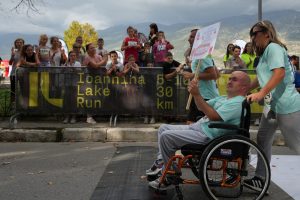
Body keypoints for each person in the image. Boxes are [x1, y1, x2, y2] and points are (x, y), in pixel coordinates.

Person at [147, 71, 251, 190]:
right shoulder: (223, 98)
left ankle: (169, 174)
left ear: (244, 87)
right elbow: (201, 106)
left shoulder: (237, 102)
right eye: (230, 78)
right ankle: (163, 163)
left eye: (234, 79)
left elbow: (213, 116)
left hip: (208, 135)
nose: (230, 81)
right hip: (200, 127)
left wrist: (197, 95)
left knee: (166, 136)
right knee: (162, 128)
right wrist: (195, 92)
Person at [245, 20, 300, 192]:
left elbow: (279, 73)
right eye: (251, 34)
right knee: (262, 139)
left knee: (297, 145)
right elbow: (262, 78)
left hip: (287, 106)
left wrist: (261, 94)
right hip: (272, 106)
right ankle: (261, 179)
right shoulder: (264, 54)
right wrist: (245, 89)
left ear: (267, 33)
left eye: (256, 33)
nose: (253, 37)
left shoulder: (274, 48)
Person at [181, 56, 220, 124]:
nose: (190, 44)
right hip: (198, 93)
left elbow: (213, 75)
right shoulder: (203, 55)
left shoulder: (204, 56)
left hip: (204, 95)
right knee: (191, 123)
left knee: (193, 124)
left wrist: (192, 75)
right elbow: (217, 74)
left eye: (191, 44)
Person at [83, 43, 108, 124]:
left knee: (98, 97)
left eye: (94, 47)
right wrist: (104, 59)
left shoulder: (98, 56)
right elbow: (96, 66)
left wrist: (104, 60)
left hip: (98, 80)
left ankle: (95, 115)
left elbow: (104, 65)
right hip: (90, 81)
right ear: (87, 50)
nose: (93, 49)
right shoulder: (87, 57)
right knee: (90, 98)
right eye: (91, 48)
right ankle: (89, 117)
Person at [63, 51, 81, 124]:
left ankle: (74, 117)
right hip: (67, 84)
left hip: (75, 84)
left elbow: (79, 72)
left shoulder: (78, 63)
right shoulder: (66, 63)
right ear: (69, 56)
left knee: (74, 101)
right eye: (71, 55)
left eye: (74, 55)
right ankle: (67, 117)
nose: (73, 57)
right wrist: (65, 66)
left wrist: (72, 68)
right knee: (67, 101)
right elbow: (62, 71)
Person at [9, 38, 24, 103]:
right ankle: (12, 103)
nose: (19, 44)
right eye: (17, 42)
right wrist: (12, 56)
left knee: (23, 88)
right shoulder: (14, 52)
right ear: (15, 44)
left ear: (23, 44)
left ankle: (23, 103)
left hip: (23, 73)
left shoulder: (25, 52)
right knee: (13, 89)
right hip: (14, 73)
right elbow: (10, 63)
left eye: (20, 42)